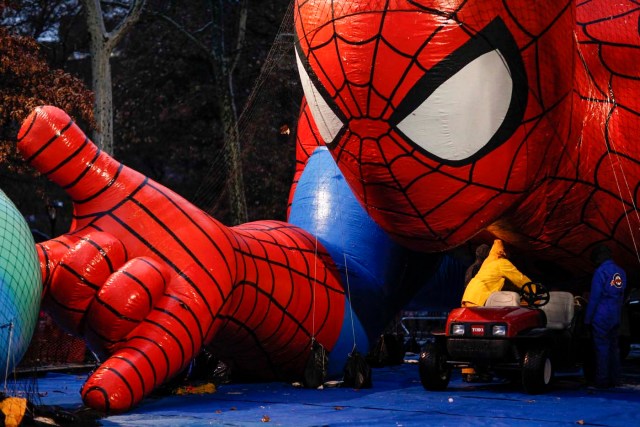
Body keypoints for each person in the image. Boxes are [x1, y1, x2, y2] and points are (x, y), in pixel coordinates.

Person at [584, 244, 627, 388]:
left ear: (599, 257)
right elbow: (622, 296)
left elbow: (595, 298)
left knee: (602, 348)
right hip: (616, 313)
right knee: (614, 348)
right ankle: (615, 380)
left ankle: (602, 381)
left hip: (602, 314)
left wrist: (587, 319)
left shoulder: (600, 272)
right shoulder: (621, 272)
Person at [461, 239, 532, 307]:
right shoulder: (501, 262)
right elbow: (519, 279)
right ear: (503, 251)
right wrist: (534, 289)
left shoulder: (488, 261)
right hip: (479, 300)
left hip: (468, 298)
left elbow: (494, 279)